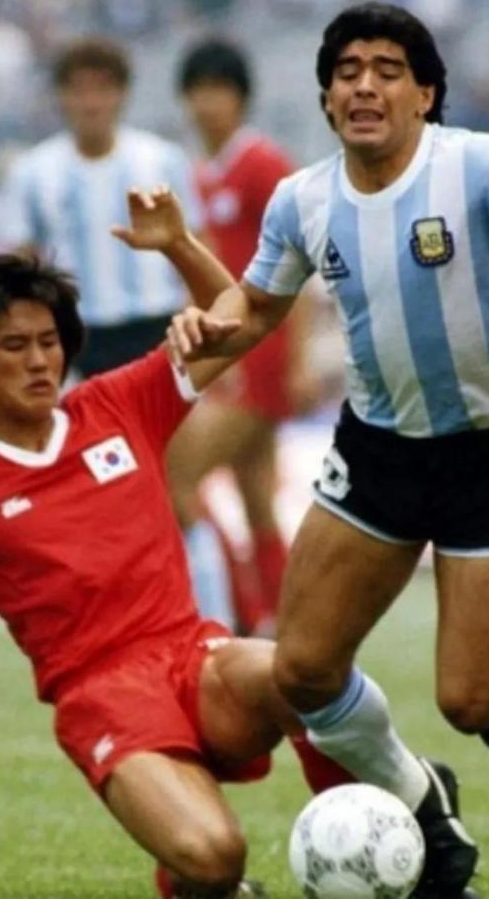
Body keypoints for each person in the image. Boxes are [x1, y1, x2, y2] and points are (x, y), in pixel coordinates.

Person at [162, 2, 489, 897]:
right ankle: (416, 794)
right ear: (325, 97)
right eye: (348, 69)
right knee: (303, 669)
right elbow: (258, 308)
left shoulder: (476, 163)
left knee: (470, 704)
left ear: (426, 93)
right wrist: (205, 322)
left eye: (389, 68)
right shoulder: (304, 200)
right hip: (378, 451)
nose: (365, 84)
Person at [0, 193, 354, 899]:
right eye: (14, 347)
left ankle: (360, 834)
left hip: (194, 654)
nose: (39, 361)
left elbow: (242, 321)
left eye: (48, 341)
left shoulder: (120, 404)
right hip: (103, 699)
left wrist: (179, 244)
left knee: (305, 674)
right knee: (217, 856)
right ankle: (189, 876)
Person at [1, 35, 235, 630]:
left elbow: (196, 248)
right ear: (61, 98)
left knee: (179, 491)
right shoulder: (34, 172)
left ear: (121, 95)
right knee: (90, 498)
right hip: (76, 344)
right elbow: (23, 265)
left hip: (154, 334)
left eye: (102, 89)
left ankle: (216, 629)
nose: (90, 102)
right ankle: (113, 624)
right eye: (78, 90)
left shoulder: (158, 160)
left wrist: (206, 336)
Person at [174, 37, 311, 635]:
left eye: (219, 91)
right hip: (227, 351)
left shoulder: (262, 165)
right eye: (199, 91)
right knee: (255, 493)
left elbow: (301, 262)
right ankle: (283, 621)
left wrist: (299, 358)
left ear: (240, 98)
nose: (208, 104)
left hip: (257, 355)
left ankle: (243, 616)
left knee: (173, 477)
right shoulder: (200, 172)